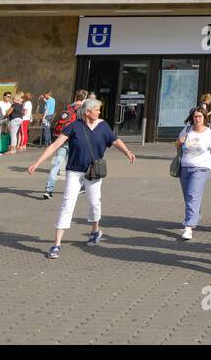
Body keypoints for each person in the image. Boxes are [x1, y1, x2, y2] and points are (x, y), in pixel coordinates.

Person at [28, 98, 135, 258]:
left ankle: (95, 230)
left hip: (93, 172)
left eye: (99, 109)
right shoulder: (74, 126)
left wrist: (127, 152)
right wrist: (37, 163)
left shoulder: (103, 126)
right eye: (97, 109)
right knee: (67, 204)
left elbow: (115, 140)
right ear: (87, 112)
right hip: (74, 171)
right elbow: (55, 145)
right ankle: (56, 244)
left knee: (94, 202)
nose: (99, 112)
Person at [175, 106, 211, 240]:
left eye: (200, 116)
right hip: (185, 167)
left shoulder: (210, 133)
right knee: (189, 196)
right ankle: (195, 215)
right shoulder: (187, 130)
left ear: (205, 118)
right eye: (195, 116)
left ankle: (188, 226)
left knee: (192, 195)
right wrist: (179, 142)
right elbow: (177, 145)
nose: (197, 119)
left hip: (201, 168)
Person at [42, 91, 85, 199]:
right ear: (85, 97)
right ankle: (79, 187)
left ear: (75, 96)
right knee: (77, 166)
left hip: (62, 139)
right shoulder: (83, 109)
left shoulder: (69, 107)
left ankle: (48, 189)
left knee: (56, 165)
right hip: (75, 141)